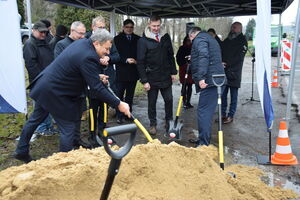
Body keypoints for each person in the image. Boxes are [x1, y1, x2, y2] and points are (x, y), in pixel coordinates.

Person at [14, 29, 131, 163]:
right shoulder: (89, 56)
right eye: (107, 48)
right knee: (68, 128)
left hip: (46, 85)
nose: (108, 52)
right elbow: (97, 88)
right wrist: (119, 104)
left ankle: (21, 150)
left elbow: (76, 67)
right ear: (97, 43)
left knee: (35, 119)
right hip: (55, 92)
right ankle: (63, 163)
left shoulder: (83, 44)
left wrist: (96, 76)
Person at [137, 15, 177, 135]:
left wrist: (173, 72)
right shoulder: (143, 41)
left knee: (169, 100)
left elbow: (170, 55)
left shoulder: (165, 37)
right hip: (151, 77)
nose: (156, 28)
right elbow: (140, 62)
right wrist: (144, 80)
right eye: (154, 26)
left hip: (165, 75)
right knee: (152, 102)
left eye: (158, 25)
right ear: (149, 24)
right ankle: (153, 124)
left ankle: (168, 121)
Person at [189, 27, 225, 147]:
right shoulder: (210, 39)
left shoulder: (199, 39)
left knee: (204, 112)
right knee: (205, 111)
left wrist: (201, 77)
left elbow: (204, 55)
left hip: (210, 81)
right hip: (216, 79)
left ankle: (204, 143)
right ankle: (202, 139)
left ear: (192, 36)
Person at [86, 16, 120, 137]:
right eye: (99, 27)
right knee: (93, 108)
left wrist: (108, 58)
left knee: (104, 106)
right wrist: (98, 59)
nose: (102, 30)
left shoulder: (108, 38)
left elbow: (117, 56)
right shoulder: (86, 39)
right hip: (92, 78)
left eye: (104, 27)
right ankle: (92, 133)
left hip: (106, 76)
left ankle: (102, 130)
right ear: (93, 27)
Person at [23, 21, 56, 136]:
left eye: (45, 32)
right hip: (39, 81)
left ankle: (48, 126)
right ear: (34, 31)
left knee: (47, 104)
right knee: (40, 106)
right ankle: (42, 128)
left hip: (47, 79)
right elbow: (31, 65)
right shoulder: (30, 44)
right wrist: (41, 79)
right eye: (41, 32)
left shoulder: (43, 42)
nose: (43, 34)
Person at [114, 19, 140, 123]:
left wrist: (137, 61)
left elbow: (141, 54)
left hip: (133, 72)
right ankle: (119, 115)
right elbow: (115, 55)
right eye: (127, 27)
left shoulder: (138, 39)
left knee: (130, 95)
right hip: (121, 71)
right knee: (119, 94)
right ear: (123, 27)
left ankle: (128, 114)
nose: (129, 29)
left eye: (131, 27)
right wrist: (125, 60)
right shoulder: (117, 39)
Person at [221, 22, 248, 124]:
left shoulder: (242, 41)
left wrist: (227, 64)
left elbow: (240, 57)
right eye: (232, 27)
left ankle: (230, 115)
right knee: (223, 95)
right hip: (224, 72)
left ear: (240, 29)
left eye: (235, 27)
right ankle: (222, 114)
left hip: (234, 73)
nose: (232, 29)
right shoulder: (228, 39)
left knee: (233, 96)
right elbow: (221, 50)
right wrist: (221, 62)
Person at [176, 36, 194, 109]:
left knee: (190, 86)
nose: (188, 42)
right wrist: (184, 64)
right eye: (187, 40)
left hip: (191, 70)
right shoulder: (182, 48)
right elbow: (178, 58)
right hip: (183, 70)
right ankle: (184, 102)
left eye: (190, 40)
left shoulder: (193, 48)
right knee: (184, 86)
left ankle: (188, 102)